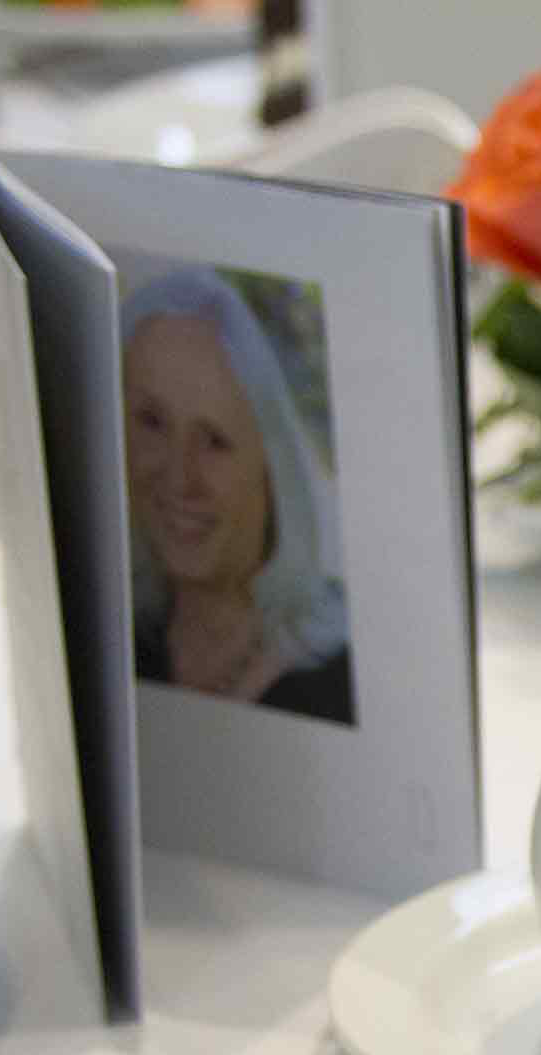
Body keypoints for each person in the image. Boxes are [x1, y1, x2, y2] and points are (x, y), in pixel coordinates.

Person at [122, 266, 354, 724]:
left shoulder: (341, 678)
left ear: (273, 471)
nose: (179, 478)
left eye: (214, 440)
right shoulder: (112, 634)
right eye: (152, 423)